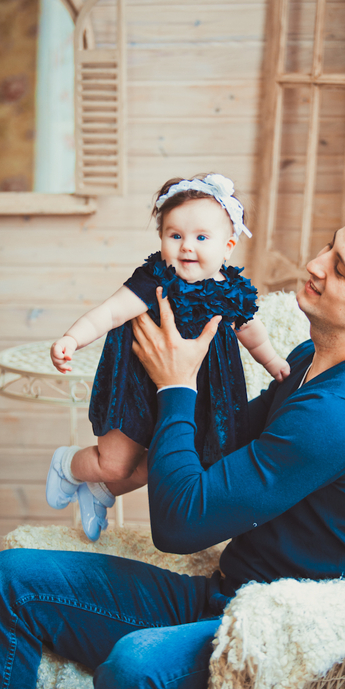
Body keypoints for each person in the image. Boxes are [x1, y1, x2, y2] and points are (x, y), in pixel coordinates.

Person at [0, 202, 345, 689]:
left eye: (339, 269)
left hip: (274, 632)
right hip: (227, 597)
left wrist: (176, 385)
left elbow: (179, 527)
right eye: (329, 246)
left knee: (137, 664)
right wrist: (120, 447)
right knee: (6, 579)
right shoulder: (309, 360)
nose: (315, 264)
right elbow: (223, 443)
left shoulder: (338, 413)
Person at [46, 173, 289, 541]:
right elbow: (109, 313)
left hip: (194, 396)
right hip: (137, 387)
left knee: (161, 465)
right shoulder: (153, 281)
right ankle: (68, 465)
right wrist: (72, 338)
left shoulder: (230, 291)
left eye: (201, 237)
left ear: (228, 246)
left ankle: (99, 490)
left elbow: (251, 332)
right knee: (114, 463)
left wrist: (272, 362)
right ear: (161, 239)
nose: (186, 246)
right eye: (175, 235)